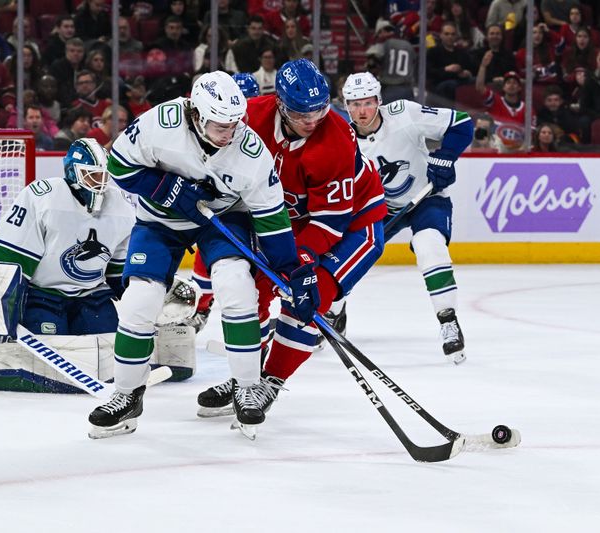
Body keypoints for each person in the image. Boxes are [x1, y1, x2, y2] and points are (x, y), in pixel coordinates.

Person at [87, 71, 318, 439]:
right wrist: (167, 188)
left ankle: (246, 387)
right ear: (196, 114)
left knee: (237, 286)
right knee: (138, 301)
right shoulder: (161, 124)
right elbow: (119, 165)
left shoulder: (250, 151)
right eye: (219, 125)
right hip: (160, 221)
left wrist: (291, 270)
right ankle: (127, 393)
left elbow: (272, 219)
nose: (229, 134)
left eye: (234, 124)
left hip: (222, 219)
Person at [193, 59, 387, 417]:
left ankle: (271, 382)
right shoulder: (251, 117)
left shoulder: (336, 139)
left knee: (309, 297)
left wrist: (303, 263)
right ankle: (246, 379)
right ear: (281, 104)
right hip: (290, 222)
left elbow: (331, 221)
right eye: (301, 114)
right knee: (254, 293)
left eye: (319, 111)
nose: (312, 121)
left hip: (353, 225)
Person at [0, 139, 136, 392]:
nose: (101, 184)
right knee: (51, 350)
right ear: (73, 172)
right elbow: (8, 259)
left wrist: (145, 306)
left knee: (108, 346)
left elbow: (120, 271)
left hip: (92, 297)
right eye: (93, 176)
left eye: (104, 176)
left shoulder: (121, 206)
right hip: (44, 296)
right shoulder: (43, 197)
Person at [342, 71, 474, 364]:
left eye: (367, 103)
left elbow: (462, 123)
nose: (361, 111)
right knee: (345, 255)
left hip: (425, 198)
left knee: (430, 246)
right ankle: (335, 309)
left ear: (378, 100)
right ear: (345, 105)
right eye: (354, 104)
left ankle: (448, 320)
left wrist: (445, 156)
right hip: (376, 207)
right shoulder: (340, 136)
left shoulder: (405, 114)